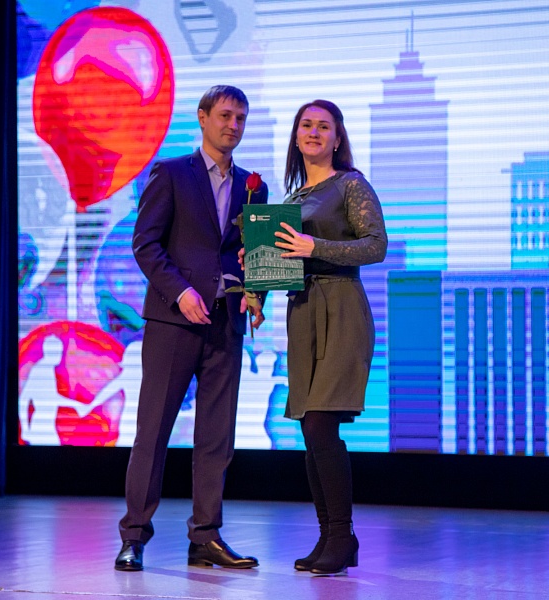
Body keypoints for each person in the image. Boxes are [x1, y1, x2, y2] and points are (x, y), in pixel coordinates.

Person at [114, 85, 268, 572]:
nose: (233, 125)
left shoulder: (253, 187)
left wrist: (256, 295)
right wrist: (180, 292)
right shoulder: (172, 172)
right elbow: (146, 244)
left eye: (241, 118)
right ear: (202, 118)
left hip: (226, 323)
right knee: (153, 431)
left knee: (217, 437)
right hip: (173, 322)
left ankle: (205, 537)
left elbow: (256, 256)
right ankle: (134, 536)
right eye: (225, 115)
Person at [263, 99, 387, 575]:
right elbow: (283, 260)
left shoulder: (351, 184)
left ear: (337, 138)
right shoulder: (291, 199)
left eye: (324, 126)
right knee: (309, 429)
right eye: (306, 125)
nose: (314, 132)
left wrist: (316, 245)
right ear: (296, 137)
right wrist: (256, 275)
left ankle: (342, 535)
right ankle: (328, 537)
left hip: (342, 307)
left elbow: (375, 245)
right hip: (302, 310)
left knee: (320, 424)